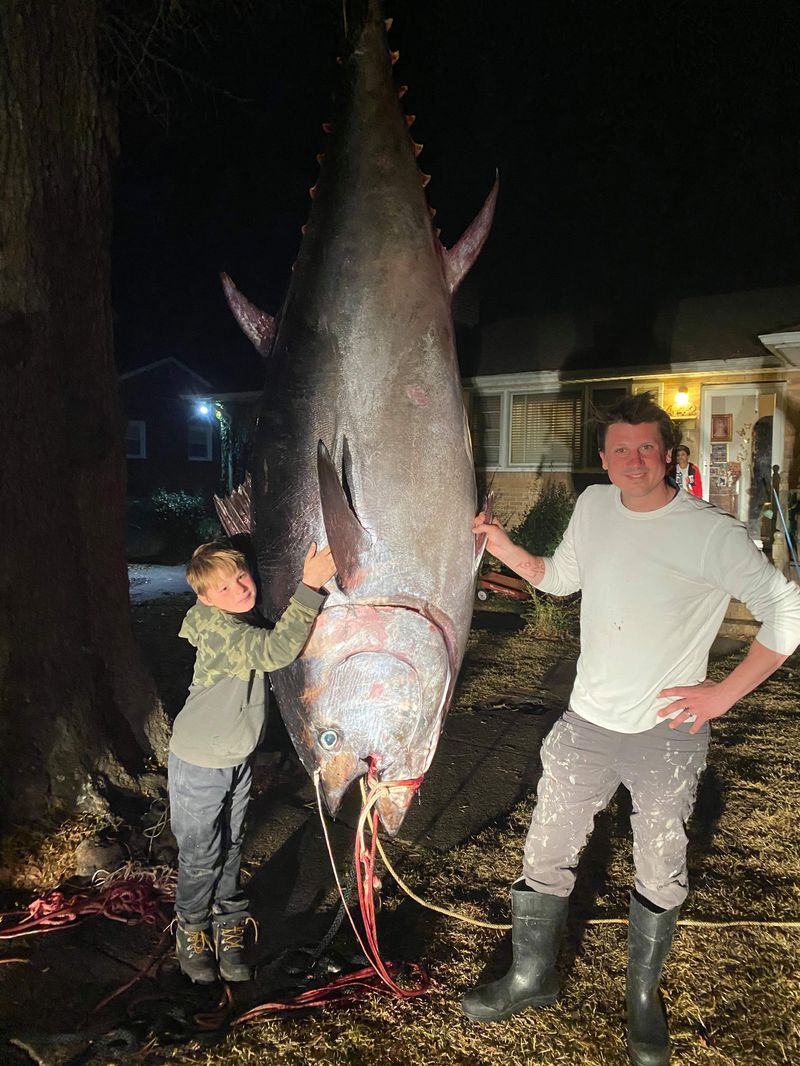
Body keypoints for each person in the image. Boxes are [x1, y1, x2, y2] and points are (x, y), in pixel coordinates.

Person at [463, 392, 800, 1066]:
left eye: (647, 447)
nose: (634, 460)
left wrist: (723, 695)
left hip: (666, 735)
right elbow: (559, 581)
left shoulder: (711, 533)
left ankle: (642, 998)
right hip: (586, 720)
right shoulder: (593, 509)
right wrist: (500, 545)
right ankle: (532, 978)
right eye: (621, 449)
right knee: (545, 852)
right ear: (604, 459)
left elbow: (787, 610)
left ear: (670, 454)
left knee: (660, 863)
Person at [169, 539, 336, 984]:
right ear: (203, 598)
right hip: (200, 760)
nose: (240, 589)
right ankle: (192, 927)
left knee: (233, 843)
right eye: (223, 588)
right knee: (202, 852)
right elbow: (276, 651)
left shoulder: (232, 617)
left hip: (235, 758)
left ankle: (228, 923)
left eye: (241, 577)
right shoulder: (224, 631)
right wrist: (310, 588)